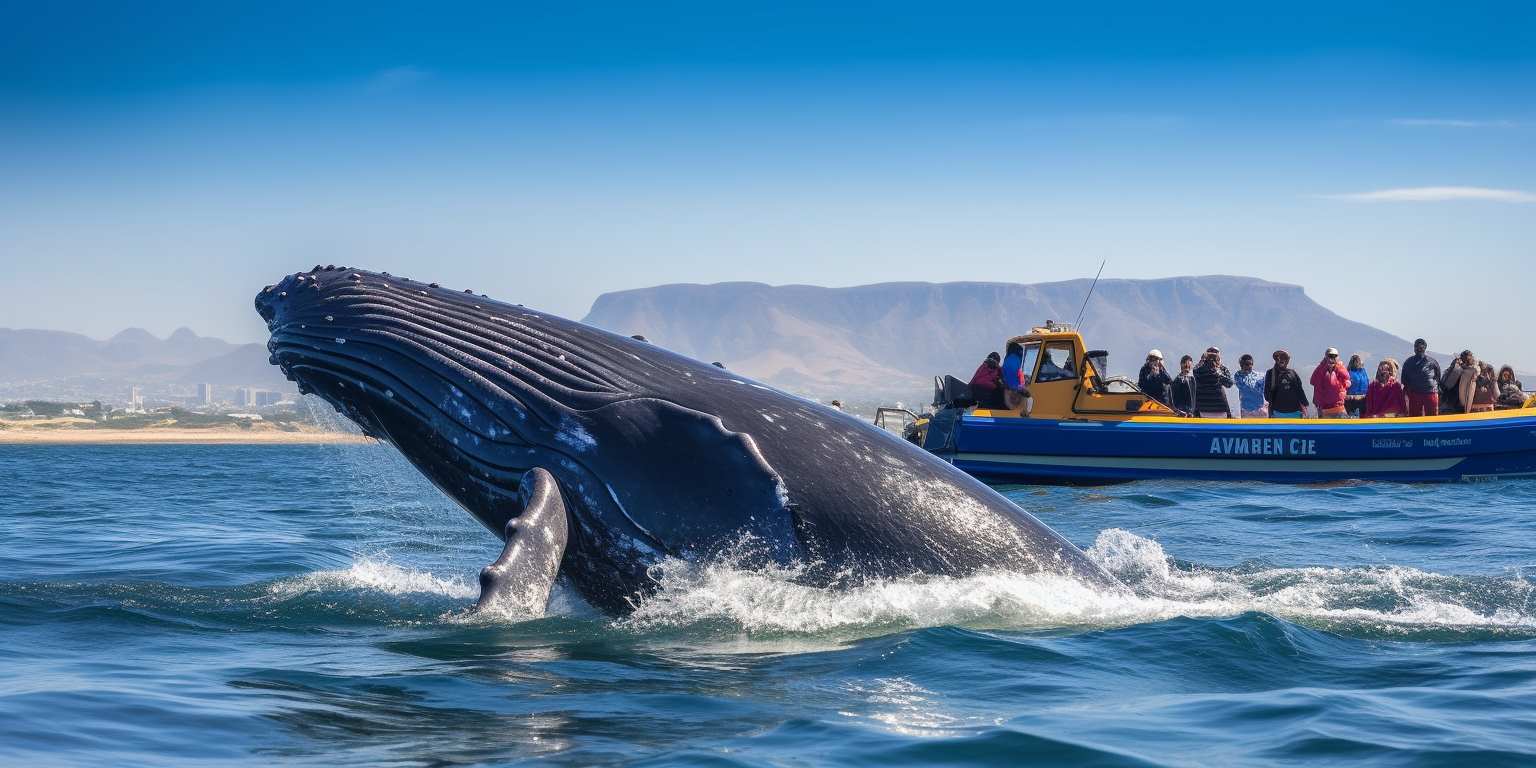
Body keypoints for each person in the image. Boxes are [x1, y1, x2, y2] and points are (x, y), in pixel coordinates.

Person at [1401, 338, 1442, 417]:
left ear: (1425, 348)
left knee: (1432, 417)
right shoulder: (1408, 362)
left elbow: (1438, 376)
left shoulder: (1432, 361)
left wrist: (1434, 387)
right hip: (1414, 394)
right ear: (1414, 348)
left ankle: (1432, 429)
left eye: (1421, 347)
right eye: (1417, 346)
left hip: (1430, 393)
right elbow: (1404, 379)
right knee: (1415, 418)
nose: (1419, 348)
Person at [1265, 350, 1309, 418]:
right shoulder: (1270, 373)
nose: (1281, 359)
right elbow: (1267, 395)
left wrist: (1305, 406)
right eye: (1278, 357)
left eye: (1284, 357)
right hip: (1277, 413)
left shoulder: (1293, 373)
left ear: (1287, 360)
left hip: (1295, 412)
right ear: (1275, 360)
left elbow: (1300, 391)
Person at [1193, 346, 1234, 418]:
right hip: (1203, 407)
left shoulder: (1222, 368)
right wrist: (1202, 360)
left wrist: (1218, 372)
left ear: (1219, 356)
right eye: (1210, 354)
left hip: (1220, 407)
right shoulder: (1200, 368)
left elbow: (1229, 383)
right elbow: (1194, 374)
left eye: (1215, 354)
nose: (1212, 356)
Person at [1310, 347, 1352, 418]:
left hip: (1339, 407)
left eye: (1334, 356)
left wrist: (1337, 366)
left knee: (1342, 429)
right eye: (1330, 356)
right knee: (1326, 429)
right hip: (1324, 409)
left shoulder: (1340, 368)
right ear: (1325, 357)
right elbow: (1313, 381)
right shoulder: (1321, 369)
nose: (1332, 358)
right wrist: (1322, 365)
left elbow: (1347, 377)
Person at [1000, 341, 1030, 411]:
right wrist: (1020, 388)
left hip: (1010, 389)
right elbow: (1016, 375)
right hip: (1014, 390)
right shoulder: (1015, 361)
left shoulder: (1008, 360)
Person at [1234, 353, 1267, 418]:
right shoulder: (1238, 375)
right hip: (1246, 410)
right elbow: (1245, 388)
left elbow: (1263, 390)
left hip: (1260, 409)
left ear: (1252, 364)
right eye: (1243, 364)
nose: (1247, 366)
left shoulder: (1260, 375)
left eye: (1249, 364)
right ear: (1241, 365)